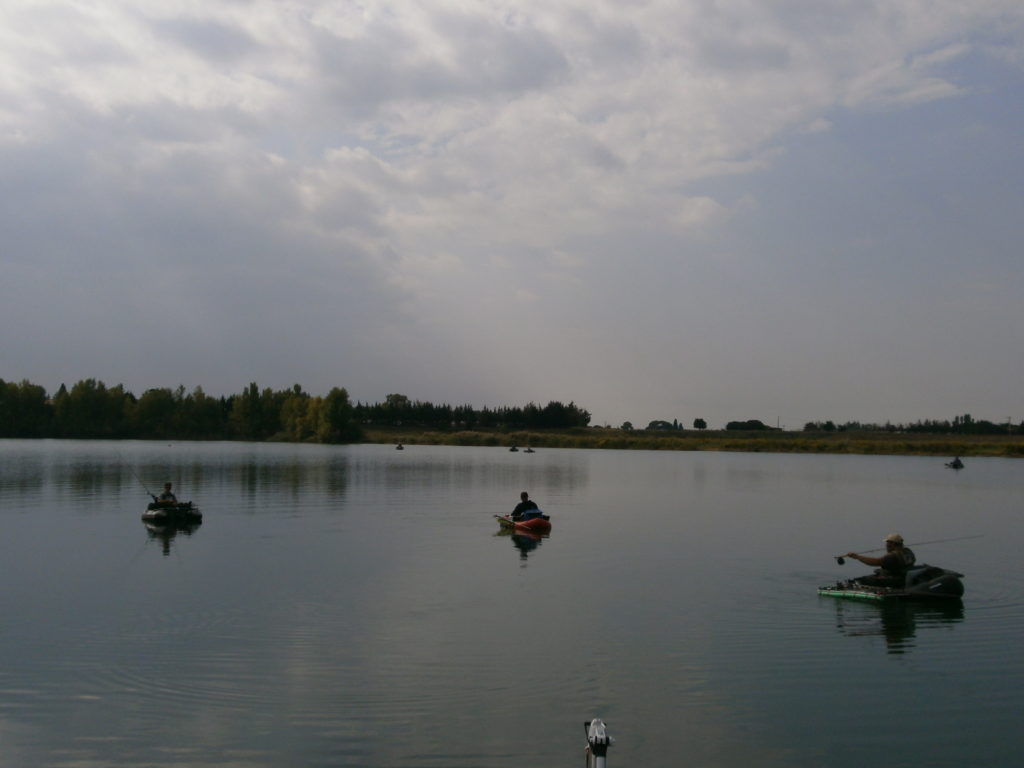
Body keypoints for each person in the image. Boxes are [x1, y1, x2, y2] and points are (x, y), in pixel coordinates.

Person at [845, 533, 914, 587]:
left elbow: (875, 562)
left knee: (862, 580)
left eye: (887, 543)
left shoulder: (892, 556)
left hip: (895, 580)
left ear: (892, 543)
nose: (886, 545)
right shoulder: (908, 551)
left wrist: (857, 557)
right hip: (904, 577)